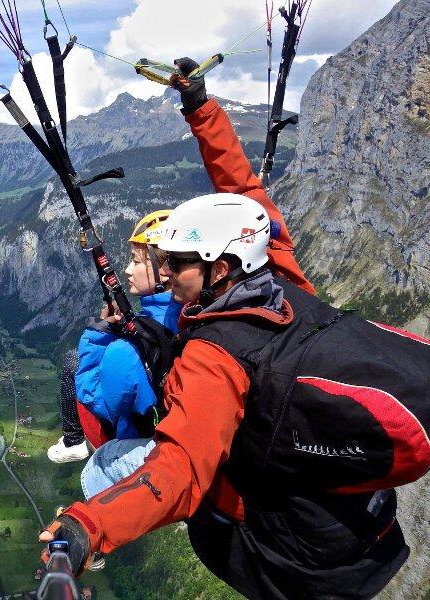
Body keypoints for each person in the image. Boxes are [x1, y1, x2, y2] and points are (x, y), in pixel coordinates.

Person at [39, 59, 410, 599]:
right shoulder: (282, 277)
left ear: (219, 269)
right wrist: (201, 109)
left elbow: (181, 470)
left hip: (289, 560)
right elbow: (243, 190)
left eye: (179, 264)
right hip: (360, 533)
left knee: (101, 471)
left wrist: (85, 529)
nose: (166, 273)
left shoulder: (216, 355)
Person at [47, 211, 182, 463]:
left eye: (136, 261)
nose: (128, 270)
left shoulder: (125, 351)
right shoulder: (192, 314)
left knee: (71, 363)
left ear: (163, 270)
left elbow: (97, 399)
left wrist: (98, 333)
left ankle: (74, 440)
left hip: (134, 439)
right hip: (167, 423)